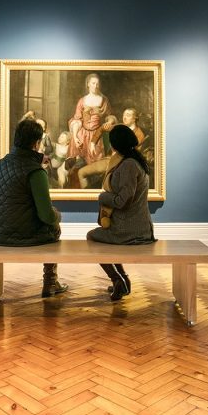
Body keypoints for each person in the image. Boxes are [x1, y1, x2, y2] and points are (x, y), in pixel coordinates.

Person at [0, 119, 68, 298]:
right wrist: (57, 216)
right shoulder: (35, 171)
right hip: (22, 236)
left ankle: (51, 282)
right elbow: (46, 215)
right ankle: (50, 282)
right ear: (36, 143)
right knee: (54, 227)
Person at [87, 124, 156, 301]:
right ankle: (123, 280)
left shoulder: (128, 165)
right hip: (137, 228)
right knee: (101, 239)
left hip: (130, 231)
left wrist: (103, 197)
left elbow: (122, 201)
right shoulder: (135, 160)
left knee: (92, 237)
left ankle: (118, 279)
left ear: (116, 144)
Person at [68, 73, 112, 166]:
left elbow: (109, 116)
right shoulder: (82, 100)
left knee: (95, 164)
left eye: (97, 84)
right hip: (82, 133)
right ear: (88, 84)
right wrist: (75, 137)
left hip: (97, 134)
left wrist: (109, 121)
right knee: (76, 163)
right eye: (93, 83)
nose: (95, 86)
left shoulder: (104, 100)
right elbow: (77, 120)